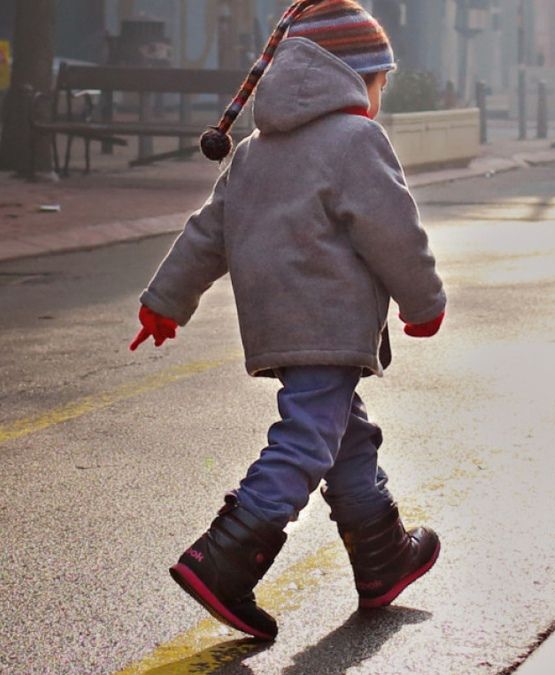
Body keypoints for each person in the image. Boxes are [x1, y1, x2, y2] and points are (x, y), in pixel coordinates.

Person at [130, 0, 446, 640]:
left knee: (344, 434)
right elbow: (394, 233)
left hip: (277, 322)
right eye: (381, 81)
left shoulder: (250, 151)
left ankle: (382, 555)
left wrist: (165, 300)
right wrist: (424, 304)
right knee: (307, 438)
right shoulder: (357, 140)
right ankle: (224, 561)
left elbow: (207, 234)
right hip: (330, 321)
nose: (381, 95)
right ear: (355, 79)